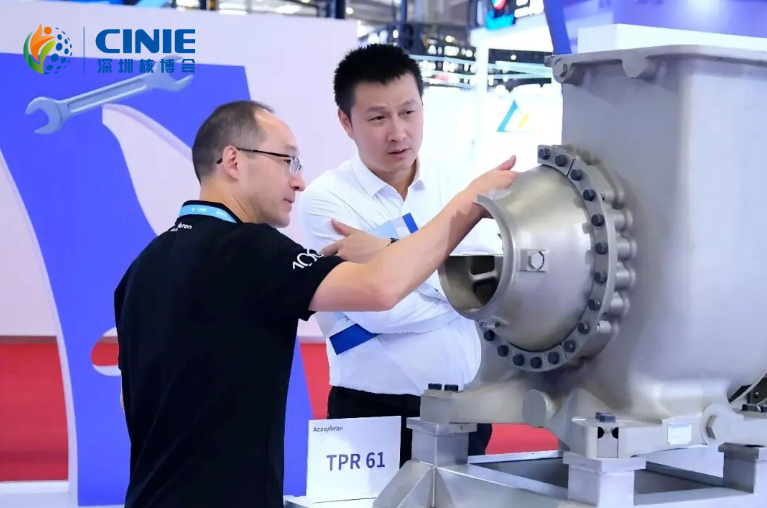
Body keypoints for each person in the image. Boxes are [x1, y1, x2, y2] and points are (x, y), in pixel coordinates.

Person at [114, 99, 518, 508]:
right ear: (233, 161)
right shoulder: (251, 249)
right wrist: (469, 203)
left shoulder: (142, 268)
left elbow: (130, 399)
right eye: (287, 161)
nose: (299, 181)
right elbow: (381, 288)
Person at [297, 44, 504, 466]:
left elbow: (489, 286)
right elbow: (381, 311)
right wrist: (456, 293)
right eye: (378, 118)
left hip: (465, 406)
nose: (398, 132)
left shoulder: (457, 182)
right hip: (371, 408)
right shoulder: (326, 200)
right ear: (346, 122)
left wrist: (387, 252)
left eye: (408, 112)